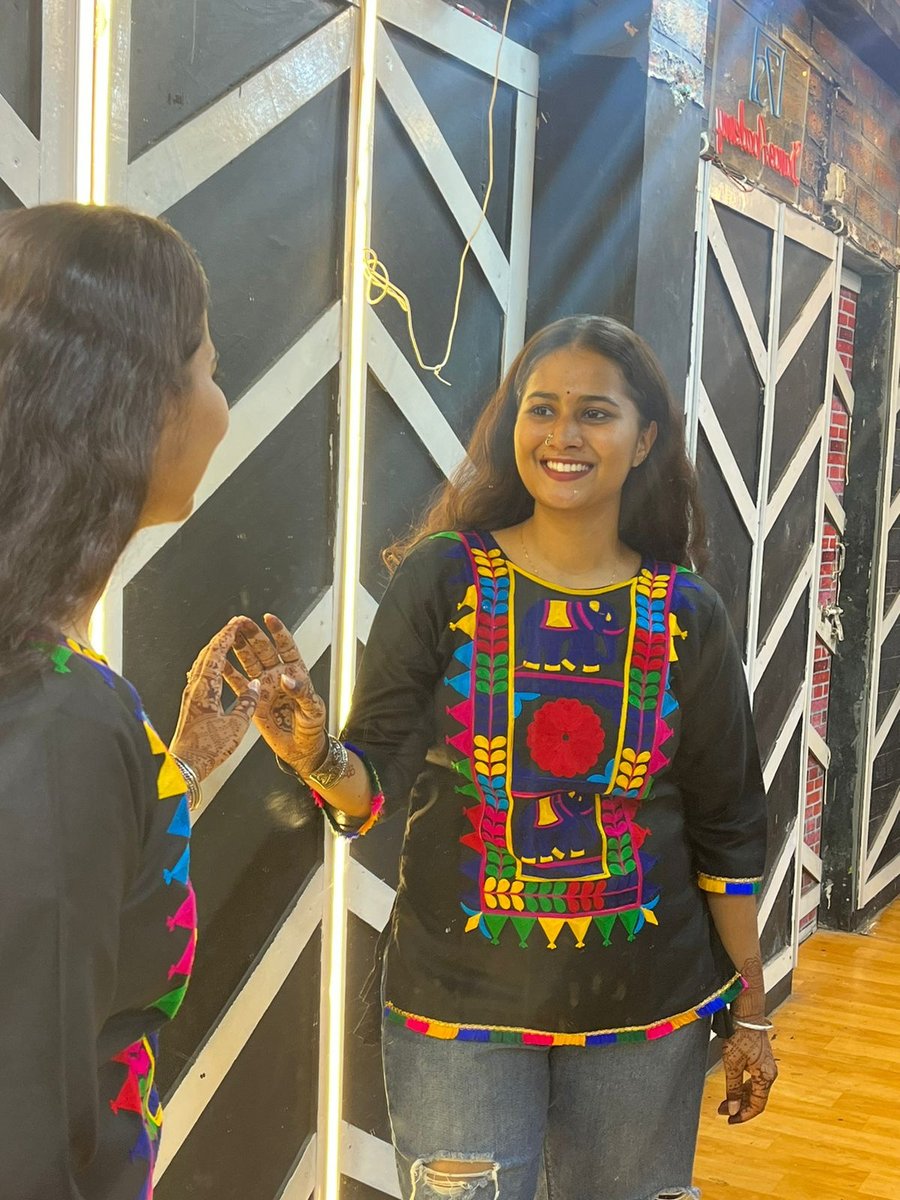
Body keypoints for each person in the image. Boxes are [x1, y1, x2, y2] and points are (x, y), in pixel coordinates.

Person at [231, 315, 778, 1200]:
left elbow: (728, 832)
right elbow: (371, 785)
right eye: (542, 408)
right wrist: (318, 757)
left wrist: (751, 1013)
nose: (563, 435)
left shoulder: (688, 615)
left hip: (646, 1014)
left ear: (645, 440)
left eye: (595, 413)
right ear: (513, 425)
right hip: (458, 1010)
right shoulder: (444, 578)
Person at [0, 203, 262, 1199]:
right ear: (141, 405)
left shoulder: (52, 695)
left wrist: (171, 769)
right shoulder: (62, 715)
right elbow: (24, 1121)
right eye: (210, 369)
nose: (221, 407)